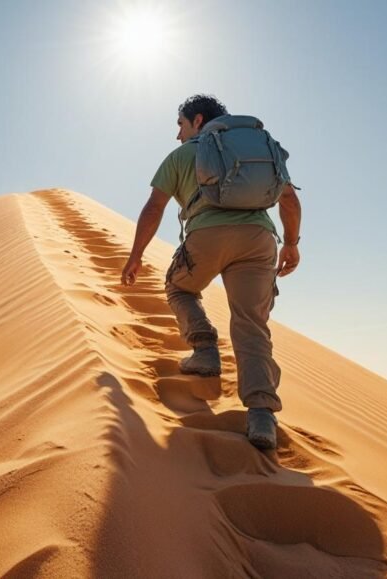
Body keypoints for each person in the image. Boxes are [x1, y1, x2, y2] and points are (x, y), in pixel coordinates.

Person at [120, 94, 302, 450]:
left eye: (181, 125)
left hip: (206, 236)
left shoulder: (181, 156)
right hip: (259, 240)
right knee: (252, 325)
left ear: (198, 121)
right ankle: (262, 416)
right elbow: (290, 200)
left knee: (179, 289)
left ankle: (204, 348)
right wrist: (292, 243)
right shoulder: (257, 153)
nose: (178, 135)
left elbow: (154, 206)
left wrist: (136, 254)